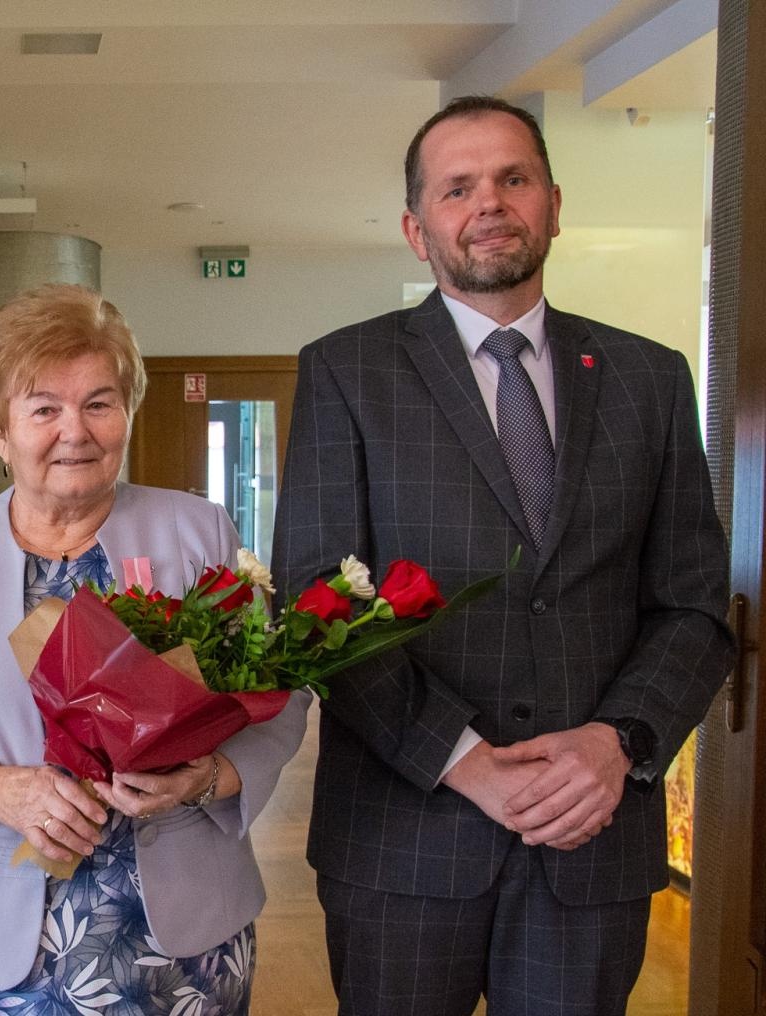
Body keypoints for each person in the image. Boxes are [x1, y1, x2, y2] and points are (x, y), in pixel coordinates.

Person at [273, 95, 733, 1016]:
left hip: (590, 838)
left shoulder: (651, 377)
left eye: (512, 179)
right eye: (458, 188)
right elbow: (318, 598)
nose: (488, 203)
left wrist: (622, 744)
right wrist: (461, 757)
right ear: (417, 228)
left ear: (554, 204)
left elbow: (694, 604)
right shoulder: (346, 371)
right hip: (403, 839)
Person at [0, 283, 310, 1015]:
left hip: (176, 945)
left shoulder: (199, 534)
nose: (75, 430)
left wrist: (208, 775)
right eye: (43, 408)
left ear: (127, 411)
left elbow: (276, 700)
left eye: (98, 402)